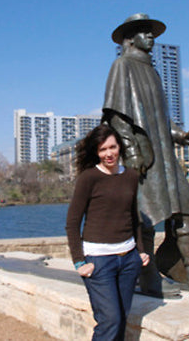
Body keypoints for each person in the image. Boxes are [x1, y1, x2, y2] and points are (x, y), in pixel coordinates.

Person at [102, 13, 189, 295]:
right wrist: (132, 150)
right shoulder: (121, 66)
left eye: (153, 34)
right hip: (144, 157)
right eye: (145, 33)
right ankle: (147, 277)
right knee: (146, 218)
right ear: (130, 37)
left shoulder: (152, 71)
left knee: (188, 212)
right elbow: (117, 117)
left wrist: (182, 136)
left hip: (165, 157)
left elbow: (160, 120)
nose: (151, 38)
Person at [66, 124, 150, 341]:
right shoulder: (89, 178)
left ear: (119, 147)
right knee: (110, 320)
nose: (108, 153)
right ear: (96, 152)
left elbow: (134, 217)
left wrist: (140, 251)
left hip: (129, 259)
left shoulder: (130, 176)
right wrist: (78, 262)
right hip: (99, 261)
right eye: (103, 149)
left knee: (120, 319)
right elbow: (73, 222)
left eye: (112, 147)